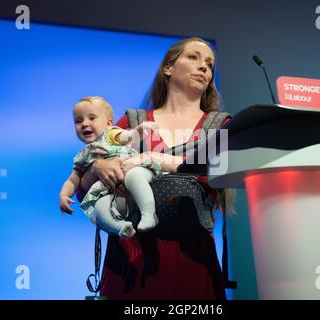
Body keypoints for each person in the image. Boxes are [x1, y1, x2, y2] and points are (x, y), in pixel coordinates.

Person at [77, 38, 232, 299]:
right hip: (130, 255)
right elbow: (85, 190)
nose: (204, 67)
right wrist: (99, 167)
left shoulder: (220, 125)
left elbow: (218, 174)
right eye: (193, 58)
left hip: (192, 256)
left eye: (209, 64)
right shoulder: (133, 121)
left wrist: (151, 158)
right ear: (168, 68)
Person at [59, 96, 163, 237]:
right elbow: (73, 180)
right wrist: (64, 195)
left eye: (91, 118)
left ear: (109, 123)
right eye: (78, 121)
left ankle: (149, 214)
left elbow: (127, 135)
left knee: (134, 176)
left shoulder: (110, 134)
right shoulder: (83, 155)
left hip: (130, 170)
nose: (84, 124)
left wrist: (138, 131)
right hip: (111, 191)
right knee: (99, 205)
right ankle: (120, 227)